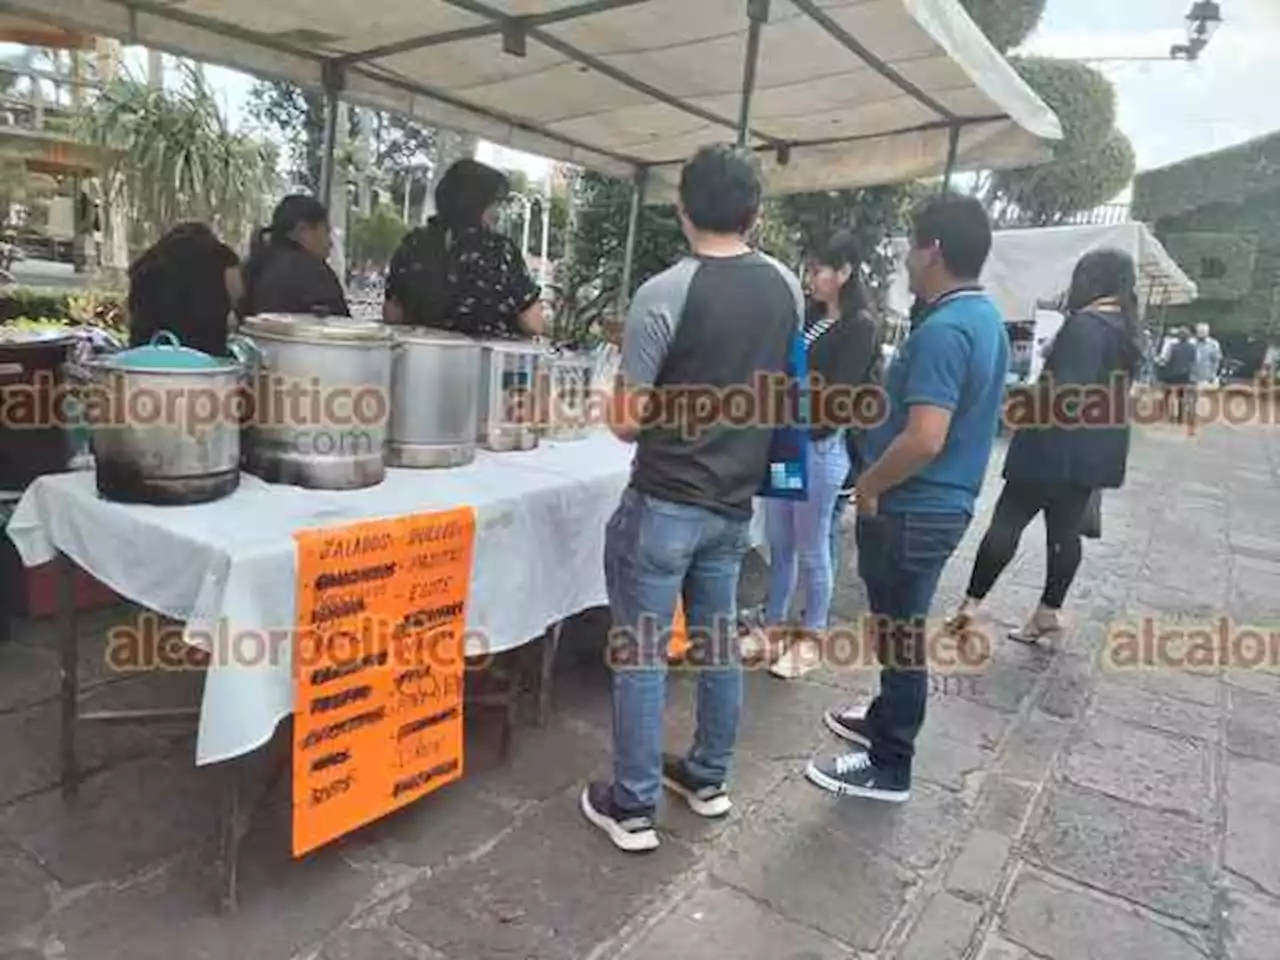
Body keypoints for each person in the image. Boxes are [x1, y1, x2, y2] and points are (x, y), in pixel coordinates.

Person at [580, 145, 801, 852]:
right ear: (755, 213)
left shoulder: (664, 293)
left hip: (665, 501)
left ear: (681, 208)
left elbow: (627, 420)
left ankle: (634, 804)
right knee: (716, 649)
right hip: (735, 506)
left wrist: (602, 398)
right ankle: (707, 777)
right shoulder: (787, 289)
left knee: (642, 655)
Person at [806, 194, 1008, 804]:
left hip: (917, 504)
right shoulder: (982, 318)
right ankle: (884, 718)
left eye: (912, 245)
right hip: (935, 502)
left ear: (934, 250)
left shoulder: (946, 330)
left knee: (901, 633)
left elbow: (925, 437)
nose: (906, 257)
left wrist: (868, 485)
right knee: (897, 627)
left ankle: (890, 760)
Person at [946, 249, 1144, 645]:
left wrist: (1022, 399)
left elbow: (1064, 394)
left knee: (1007, 522)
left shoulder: (1086, 326)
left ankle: (970, 605)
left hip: (1052, 448)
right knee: (1064, 532)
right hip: (1093, 451)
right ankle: (1047, 611)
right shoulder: (1125, 330)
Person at [758, 231, 881, 680]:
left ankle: (811, 636)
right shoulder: (809, 315)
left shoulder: (860, 326)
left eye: (818, 270)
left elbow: (840, 397)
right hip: (787, 443)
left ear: (844, 272)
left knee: (812, 549)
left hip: (819, 447)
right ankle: (774, 624)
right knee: (781, 542)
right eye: (809, 269)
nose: (811, 278)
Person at [383, 159, 545, 338]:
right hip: (483, 362)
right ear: (477, 203)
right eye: (495, 204)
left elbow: (392, 314)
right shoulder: (499, 251)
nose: (498, 213)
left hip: (420, 358)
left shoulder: (413, 244)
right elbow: (532, 323)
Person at [127, 222, 242, 357]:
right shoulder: (222, 255)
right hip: (206, 357)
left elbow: (131, 312)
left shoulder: (148, 262)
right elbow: (238, 295)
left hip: (147, 357)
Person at [240, 195, 349, 318]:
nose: (330, 243)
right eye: (326, 232)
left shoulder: (252, 266)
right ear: (303, 229)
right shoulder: (315, 273)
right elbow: (340, 327)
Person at [1159, 327, 1197, 425]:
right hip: (1185, 375)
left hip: (1173, 375)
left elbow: (1166, 359)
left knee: (1168, 394)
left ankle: (1168, 414)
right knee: (1182, 396)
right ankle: (1181, 417)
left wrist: (1160, 362)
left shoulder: (1173, 346)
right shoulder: (1193, 348)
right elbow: (1195, 361)